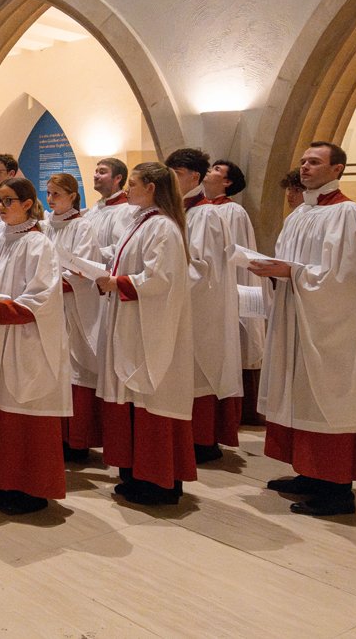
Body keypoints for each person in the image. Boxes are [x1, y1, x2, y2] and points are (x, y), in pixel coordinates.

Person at [250, 141, 356, 516]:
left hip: (331, 328)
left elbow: (347, 279)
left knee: (327, 397)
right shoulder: (299, 215)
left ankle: (337, 489)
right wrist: (271, 268)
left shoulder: (349, 215)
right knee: (299, 394)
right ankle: (311, 474)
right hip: (297, 318)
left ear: (338, 169)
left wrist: (291, 272)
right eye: (303, 162)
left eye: (315, 162)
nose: (305, 168)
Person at [0, 177, 72, 515]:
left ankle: (32, 487)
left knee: (24, 413)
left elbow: (43, 296)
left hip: (25, 339)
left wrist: (2, 308)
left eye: (8, 201)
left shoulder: (38, 245)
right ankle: (4, 480)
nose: (0, 207)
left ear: (28, 204)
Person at [95, 162, 196, 505]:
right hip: (131, 321)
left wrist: (116, 282)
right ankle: (138, 475)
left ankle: (159, 483)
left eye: (133, 184)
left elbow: (159, 279)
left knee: (151, 399)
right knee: (133, 401)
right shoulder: (140, 222)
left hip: (150, 326)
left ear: (152, 188)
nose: (127, 191)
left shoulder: (163, 227)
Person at [165, 149, 242, 464]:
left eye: (176, 174)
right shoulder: (177, 210)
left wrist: (167, 292)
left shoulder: (206, 214)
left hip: (199, 306)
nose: (170, 180)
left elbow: (202, 268)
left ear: (194, 176)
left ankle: (202, 441)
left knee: (200, 369)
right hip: (179, 303)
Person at [44, 174, 104, 463]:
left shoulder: (82, 227)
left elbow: (83, 270)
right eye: (49, 193)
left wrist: (52, 284)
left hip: (73, 306)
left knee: (76, 365)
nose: (51, 198)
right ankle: (56, 436)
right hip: (52, 306)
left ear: (72, 195)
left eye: (57, 193)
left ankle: (77, 439)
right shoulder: (45, 227)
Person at [204, 160, 267, 428]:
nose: (210, 170)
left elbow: (240, 255)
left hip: (230, 288)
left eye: (217, 169)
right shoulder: (200, 209)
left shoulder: (233, 211)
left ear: (227, 182)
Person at [82, 158, 134, 263]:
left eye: (102, 172)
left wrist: (88, 256)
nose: (96, 176)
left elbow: (123, 248)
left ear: (118, 178)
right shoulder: (95, 209)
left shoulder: (127, 210)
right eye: (96, 172)